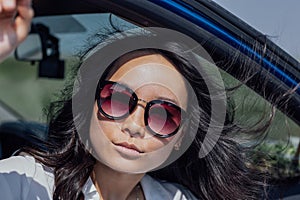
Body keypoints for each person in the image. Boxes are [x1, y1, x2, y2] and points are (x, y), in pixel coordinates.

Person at [0, 1, 269, 200]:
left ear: (180, 139)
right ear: (88, 106)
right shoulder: (26, 182)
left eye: (163, 115)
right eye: (118, 99)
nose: (135, 126)